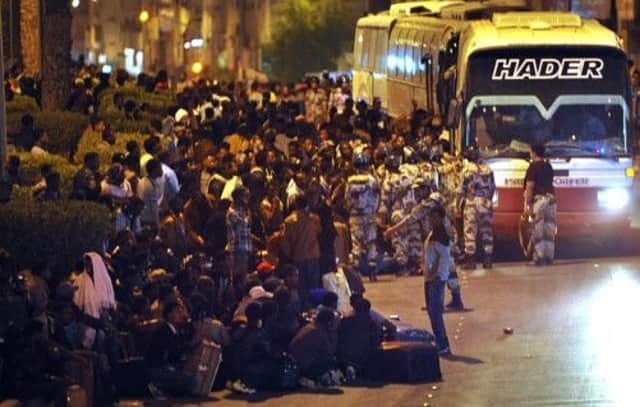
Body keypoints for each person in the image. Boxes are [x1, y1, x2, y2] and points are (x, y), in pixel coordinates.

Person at [145, 300, 195, 398]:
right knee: (191, 381)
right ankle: (158, 385)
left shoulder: (174, 330)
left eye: (181, 311)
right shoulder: (164, 331)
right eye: (177, 311)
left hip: (166, 368)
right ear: (169, 315)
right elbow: (174, 355)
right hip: (157, 371)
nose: (181, 314)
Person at [345, 148, 381, 281]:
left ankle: (356, 271)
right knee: (371, 242)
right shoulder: (371, 179)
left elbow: (347, 198)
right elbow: (377, 196)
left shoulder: (350, 180)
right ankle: (372, 272)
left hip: (355, 216)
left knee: (356, 243)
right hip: (369, 215)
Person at [280, 195, 322, 310]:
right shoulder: (314, 219)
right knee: (313, 285)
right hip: (313, 256)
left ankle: (303, 310)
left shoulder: (289, 221)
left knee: (301, 286)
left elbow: (285, 242)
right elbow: (318, 232)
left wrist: (289, 255)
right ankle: (315, 308)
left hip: (298, 257)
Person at [458, 147, 495, 269]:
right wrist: (487, 200)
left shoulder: (467, 170)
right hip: (486, 202)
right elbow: (493, 187)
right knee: (487, 231)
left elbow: (461, 190)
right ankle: (488, 259)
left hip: (472, 202)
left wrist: (458, 207)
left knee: (470, 232)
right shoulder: (488, 169)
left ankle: (471, 261)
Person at [424, 206, 452, 355]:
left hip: (436, 279)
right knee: (432, 312)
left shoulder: (440, 235)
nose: (432, 220)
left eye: (435, 217)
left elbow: (444, 257)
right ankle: (440, 343)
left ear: (441, 218)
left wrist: (435, 274)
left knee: (435, 313)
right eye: (431, 217)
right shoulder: (434, 234)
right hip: (431, 278)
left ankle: (443, 345)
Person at [524, 144, 556, 266]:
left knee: (538, 231)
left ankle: (539, 258)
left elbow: (530, 186)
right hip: (551, 201)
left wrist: (527, 205)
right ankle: (549, 257)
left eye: (530, 152)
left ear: (534, 153)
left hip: (539, 201)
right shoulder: (548, 166)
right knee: (549, 230)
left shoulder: (532, 167)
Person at [226, 186, 253, 289]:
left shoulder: (244, 211)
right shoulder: (233, 213)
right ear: (238, 197)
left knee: (244, 277)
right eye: (245, 196)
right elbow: (241, 227)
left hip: (244, 248)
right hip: (237, 249)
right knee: (238, 279)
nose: (247, 198)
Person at [137, 158, 164, 229]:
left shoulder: (142, 181)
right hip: (149, 223)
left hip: (142, 221)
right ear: (154, 170)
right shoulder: (149, 186)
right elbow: (154, 209)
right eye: (160, 168)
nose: (162, 170)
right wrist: (158, 226)